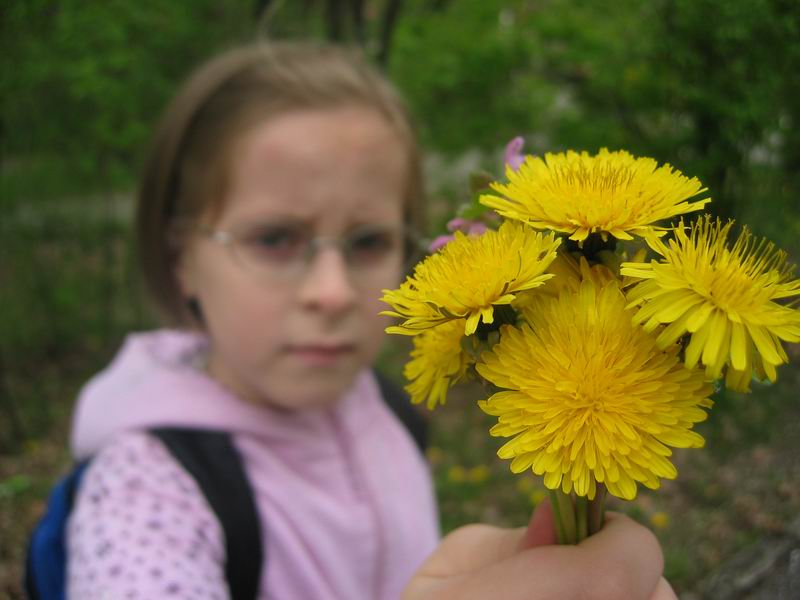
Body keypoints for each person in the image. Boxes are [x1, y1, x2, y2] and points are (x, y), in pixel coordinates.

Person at [65, 41, 675, 600]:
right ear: (180, 260)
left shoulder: (385, 406)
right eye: (274, 239)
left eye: (368, 242)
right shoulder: (142, 498)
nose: (333, 293)